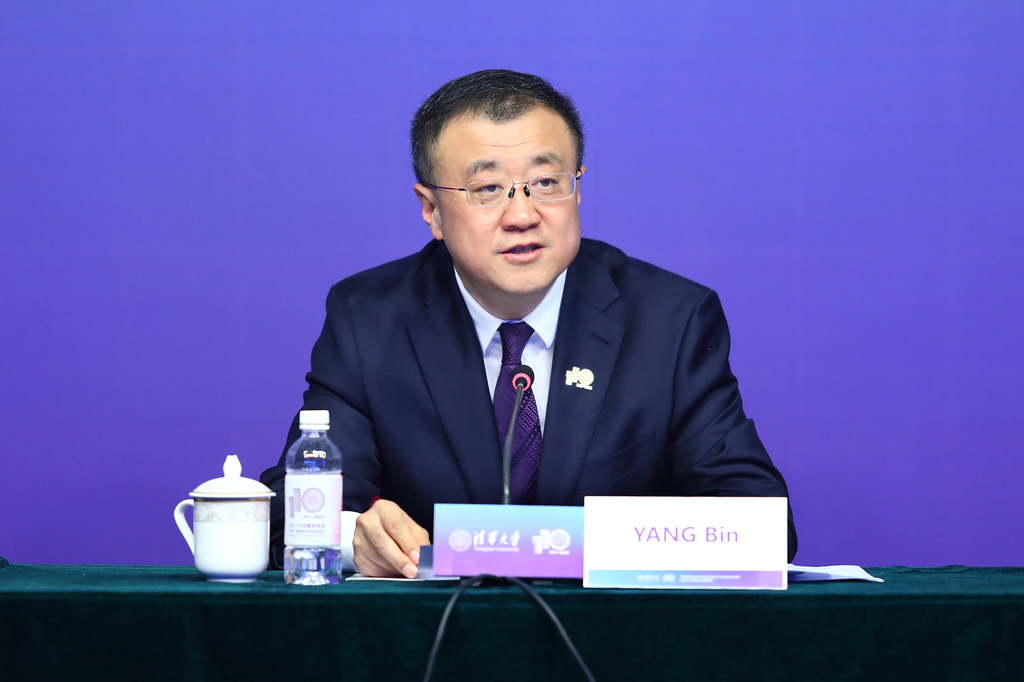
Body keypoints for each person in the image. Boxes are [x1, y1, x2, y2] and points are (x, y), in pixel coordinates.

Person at [260, 69, 797, 577]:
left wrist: (556, 545)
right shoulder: (369, 319)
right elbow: (289, 510)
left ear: (578, 188)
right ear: (431, 210)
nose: (522, 216)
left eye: (545, 182)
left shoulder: (670, 319)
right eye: (488, 189)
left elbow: (759, 524)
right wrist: (353, 539)